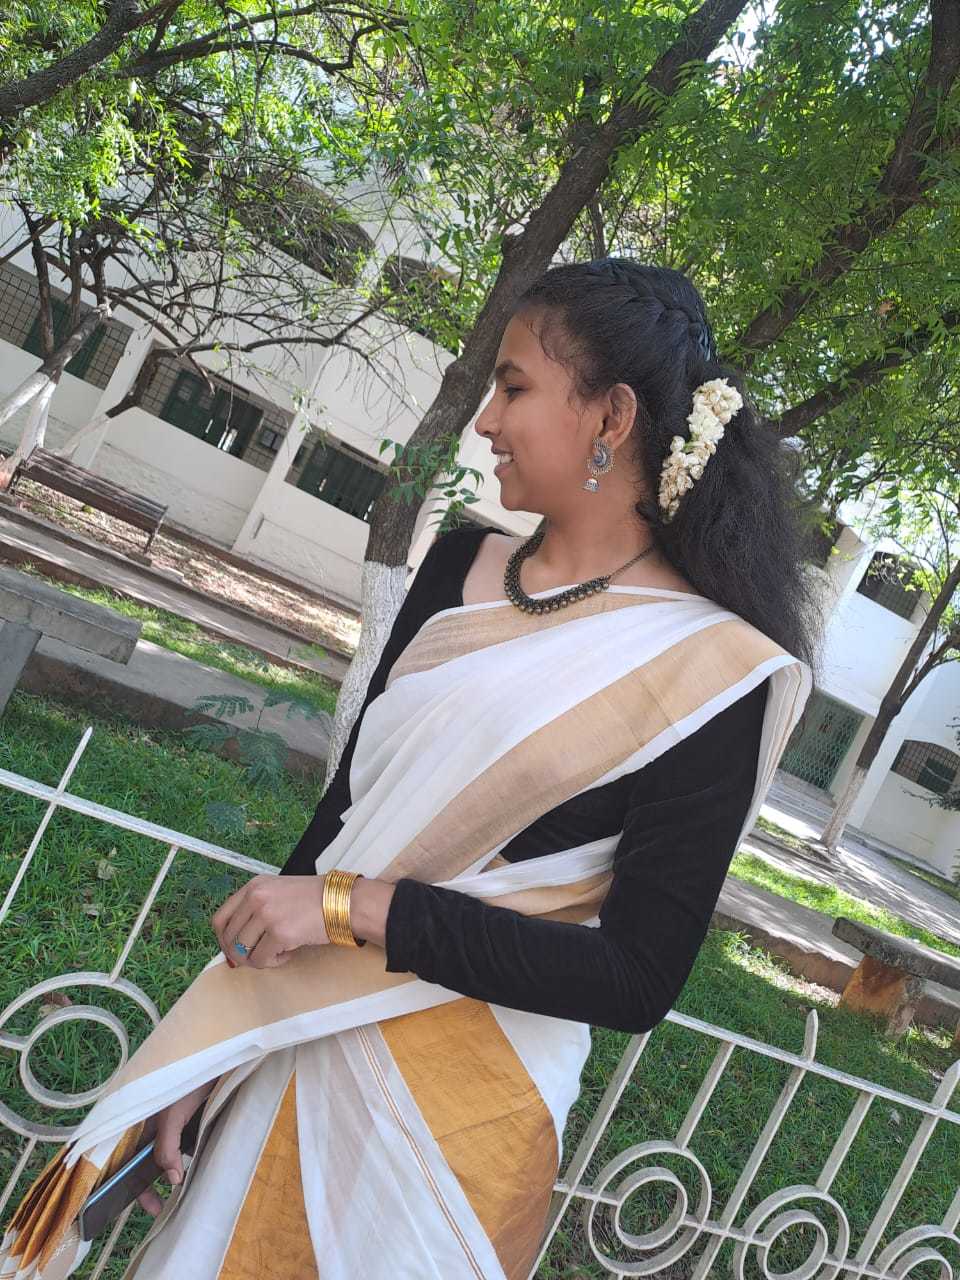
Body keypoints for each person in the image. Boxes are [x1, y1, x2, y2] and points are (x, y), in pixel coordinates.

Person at [0, 259, 819, 1280]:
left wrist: (353, 908)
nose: (485, 421)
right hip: (292, 1043)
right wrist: (216, 1043)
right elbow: (344, 821)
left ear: (611, 415)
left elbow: (635, 976)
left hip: (454, 1132)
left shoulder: (714, 672)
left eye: (514, 387)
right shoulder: (457, 567)